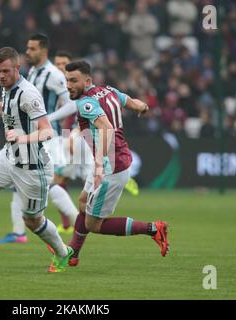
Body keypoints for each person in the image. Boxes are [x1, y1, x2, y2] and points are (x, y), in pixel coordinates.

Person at [0, 47, 73, 273]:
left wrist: (23, 137)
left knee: (32, 221)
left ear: (17, 68)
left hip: (32, 166)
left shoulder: (29, 94)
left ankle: (63, 252)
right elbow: (5, 108)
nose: (1, 75)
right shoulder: (8, 88)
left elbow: (47, 132)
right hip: (8, 157)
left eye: (6, 71)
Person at [62, 60, 169, 267]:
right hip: (111, 161)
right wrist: (141, 105)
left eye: (74, 81)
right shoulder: (107, 90)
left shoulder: (87, 102)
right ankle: (72, 253)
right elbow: (128, 100)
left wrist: (100, 166)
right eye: (67, 80)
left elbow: (107, 129)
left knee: (93, 224)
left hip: (110, 167)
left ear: (87, 81)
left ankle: (153, 228)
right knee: (83, 201)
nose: (69, 85)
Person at [0, 34, 79, 244]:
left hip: (46, 139)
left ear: (43, 50)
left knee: (50, 183)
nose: (28, 52)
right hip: (28, 138)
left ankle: (78, 222)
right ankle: (18, 233)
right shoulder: (32, 72)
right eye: (27, 48)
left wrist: (47, 119)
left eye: (32, 49)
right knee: (20, 181)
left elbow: (72, 103)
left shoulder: (53, 74)